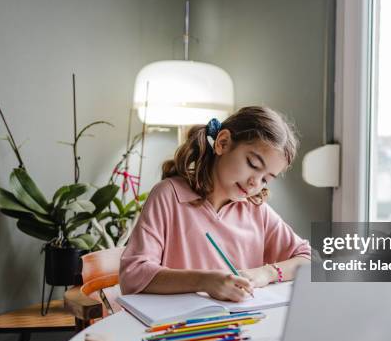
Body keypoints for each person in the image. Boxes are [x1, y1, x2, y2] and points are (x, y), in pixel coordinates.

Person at [119, 106, 311, 302]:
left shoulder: (255, 209)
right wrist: (204, 281)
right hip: (178, 326)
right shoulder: (168, 196)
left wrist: (267, 273)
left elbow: (309, 260)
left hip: (238, 325)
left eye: (266, 179)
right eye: (253, 164)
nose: (255, 183)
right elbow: (133, 275)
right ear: (223, 142)